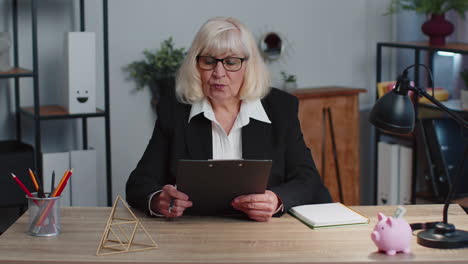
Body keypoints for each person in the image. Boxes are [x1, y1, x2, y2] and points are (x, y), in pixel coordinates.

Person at [126, 17, 332, 222]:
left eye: (231, 62)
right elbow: (139, 183)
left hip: (264, 235)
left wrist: (276, 200)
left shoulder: (280, 108)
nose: (218, 73)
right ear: (196, 65)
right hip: (193, 233)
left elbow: (308, 179)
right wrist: (157, 200)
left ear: (248, 66)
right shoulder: (174, 110)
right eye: (208, 61)